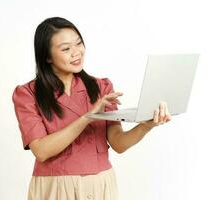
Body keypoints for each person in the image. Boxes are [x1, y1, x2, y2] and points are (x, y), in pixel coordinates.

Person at [12, 17, 171, 200]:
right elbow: (41, 150)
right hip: (55, 188)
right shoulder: (28, 94)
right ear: (47, 56)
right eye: (66, 49)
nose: (76, 52)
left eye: (79, 43)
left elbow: (118, 143)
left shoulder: (101, 88)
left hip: (101, 185)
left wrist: (146, 125)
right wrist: (88, 117)